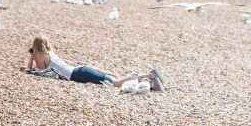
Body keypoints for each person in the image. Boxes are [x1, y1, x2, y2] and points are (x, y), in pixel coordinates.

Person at [21, 35, 162, 90]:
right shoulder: (50, 52)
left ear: (35, 46)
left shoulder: (40, 54)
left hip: (78, 74)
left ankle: (150, 77)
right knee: (115, 81)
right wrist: (104, 71)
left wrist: (32, 58)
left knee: (117, 83)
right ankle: (148, 81)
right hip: (80, 69)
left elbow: (39, 71)